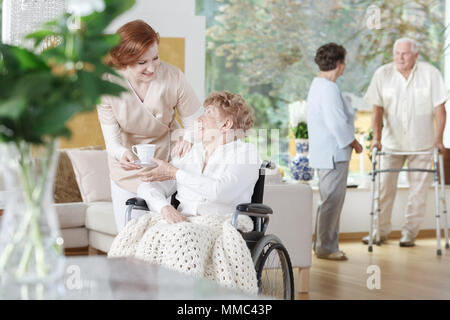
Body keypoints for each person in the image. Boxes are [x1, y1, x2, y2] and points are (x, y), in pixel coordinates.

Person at [108, 91, 261, 294]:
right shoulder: (190, 153)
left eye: (208, 113)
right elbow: (148, 185)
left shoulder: (245, 153)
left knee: (182, 235)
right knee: (140, 235)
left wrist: (174, 172)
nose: (199, 118)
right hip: (181, 221)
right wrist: (164, 208)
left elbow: (219, 191)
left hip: (220, 223)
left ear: (226, 125)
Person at [97, 20, 203, 232]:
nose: (152, 67)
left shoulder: (173, 77)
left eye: (155, 58)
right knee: (130, 235)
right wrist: (122, 153)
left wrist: (187, 139)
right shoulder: (107, 86)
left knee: (165, 235)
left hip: (166, 166)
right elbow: (112, 142)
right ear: (124, 62)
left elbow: (195, 122)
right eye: (141, 63)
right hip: (126, 170)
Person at [363, 37, 447, 247]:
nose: (400, 57)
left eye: (405, 53)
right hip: (391, 144)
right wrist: (376, 139)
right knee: (383, 190)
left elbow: (440, 110)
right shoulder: (383, 74)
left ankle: (409, 233)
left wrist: (438, 140)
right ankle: (378, 231)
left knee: (418, 194)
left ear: (416, 55)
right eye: (397, 53)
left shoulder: (431, 74)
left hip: (423, 144)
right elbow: (377, 110)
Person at [307, 43, 363, 261]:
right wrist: (354, 143)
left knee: (329, 200)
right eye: (344, 61)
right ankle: (326, 247)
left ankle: (323, 244)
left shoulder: (319, 85)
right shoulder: (329, 88)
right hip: (333, 154)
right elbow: (336, 122)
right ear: (339, 64)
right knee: (332, 201)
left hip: (326, 153)